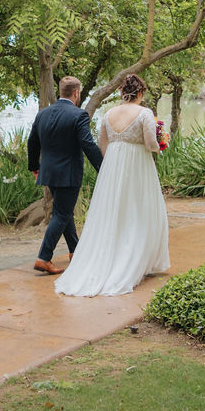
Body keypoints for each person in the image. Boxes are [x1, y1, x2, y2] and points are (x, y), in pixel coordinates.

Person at [55, 74, 169, 297]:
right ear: (140, 93)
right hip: (137, 165)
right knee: (139, 211)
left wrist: (114, 164)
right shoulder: (144, 113)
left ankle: (110, 256)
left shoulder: (108, 114)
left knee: (113, 213)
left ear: (121, 92)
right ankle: (136, 261)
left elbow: (103, 145)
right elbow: (150, 143)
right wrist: (161, 143)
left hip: (113, 167)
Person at [27, 76, 103, 275]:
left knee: (64, 211)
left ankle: (75, 251)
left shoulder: (43, 114)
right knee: (61, 214)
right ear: (76, 93)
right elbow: (88, 144)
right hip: (68, 174)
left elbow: (32, 142)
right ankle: (44, 258)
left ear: (61, 91)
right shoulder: (79, 115)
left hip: (49, 172)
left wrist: (34, 166)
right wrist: (104, 168)